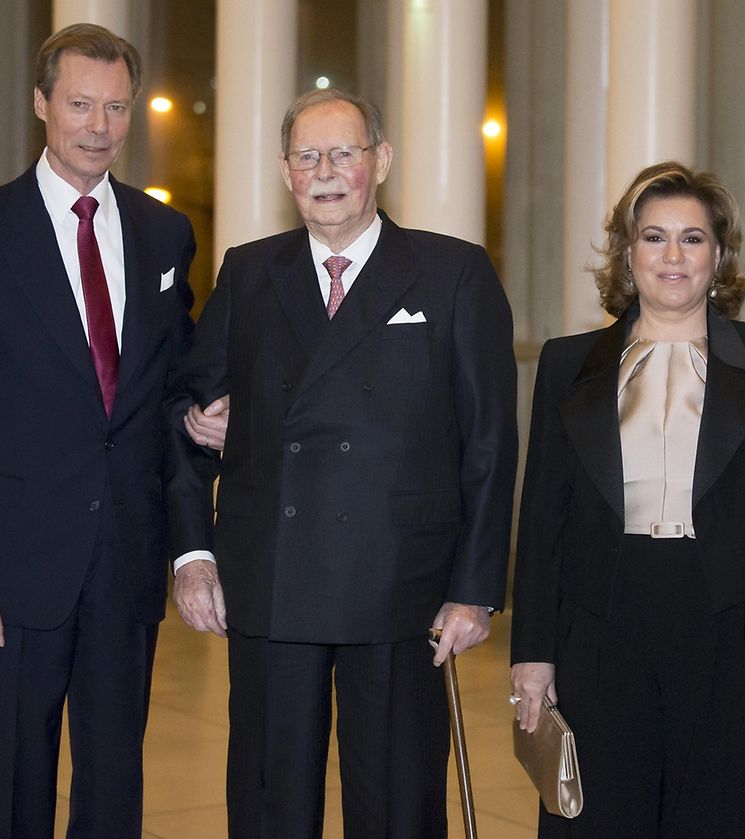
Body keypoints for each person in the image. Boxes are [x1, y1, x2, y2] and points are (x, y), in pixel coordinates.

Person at [166, 88, 518, 837]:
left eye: (344, 153)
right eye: (307, 156)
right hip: (270, 585)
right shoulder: (250, 271)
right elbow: (187, 415)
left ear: (380, 162)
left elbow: (489, 443)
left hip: (401, 589)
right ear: (287, 170)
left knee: (396, 807)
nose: (326, 171)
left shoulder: (452, 273)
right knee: (268, 806)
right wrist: (195, 553)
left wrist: (476, 588)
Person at [0, 23, 198, 838]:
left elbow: (170, 388)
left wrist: (203, 420)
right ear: (42, 104)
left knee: (115, 787)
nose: (99, 126)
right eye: (79, 104)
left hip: (126, 563)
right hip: (9, 570)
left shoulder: (162, 233)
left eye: (115, 107)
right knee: (13, 784)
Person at [510, 161, 745, 837]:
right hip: (600, 624)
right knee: (601, 817)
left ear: (720, 254)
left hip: (732, 627)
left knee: (720, 814)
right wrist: (531, 652)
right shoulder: (569, 364)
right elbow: (541, 522)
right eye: (654, 237)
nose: (673, 256)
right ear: (628, 253)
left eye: (692, 238)